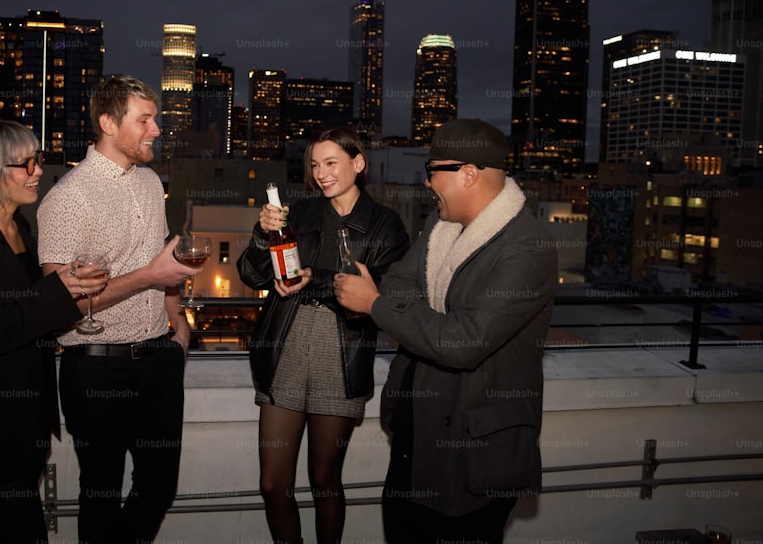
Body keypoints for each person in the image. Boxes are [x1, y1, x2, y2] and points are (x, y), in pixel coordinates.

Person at [334, 118, 558, 543]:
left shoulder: (528, 247)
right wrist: (429, 319)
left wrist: (377, 305)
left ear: (468, 174)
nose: (426, 182)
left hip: (472, 454)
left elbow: (462, 342)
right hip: (414, 438)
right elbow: (401, 281)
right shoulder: (440, 228)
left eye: (433, 169)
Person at [37, 75, 199, 544]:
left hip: (159, 361)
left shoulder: (150, 182)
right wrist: (149, 277)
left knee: (158, 487)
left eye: (155, 118)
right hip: (96, 369)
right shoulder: (68, 198)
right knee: (101, 493)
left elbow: (165, 262)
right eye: (144, 119)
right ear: (108, 122)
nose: (157, 129)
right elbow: (60, 306)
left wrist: (178, 322)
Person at [0, 120, 109, 544]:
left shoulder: (20, 230)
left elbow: (30, 311)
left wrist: (63, 293)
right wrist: (55, 292)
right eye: (25, 164)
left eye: (39, 160)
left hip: (27, 412)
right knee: (25, 531)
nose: (36, 171)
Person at [237, 127, 410, 544]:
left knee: (324, 480)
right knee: (272, 484)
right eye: (315, 165)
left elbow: (388, 296)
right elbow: (251, 274)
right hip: (287, 344)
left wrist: (314, 279)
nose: (322, 174)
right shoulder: (300, 212)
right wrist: (263, 235)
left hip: (342, 351)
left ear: (359, 163)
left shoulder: (386, 225)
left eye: (331, 163)